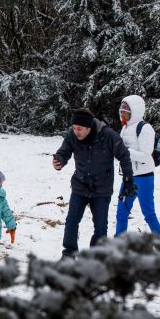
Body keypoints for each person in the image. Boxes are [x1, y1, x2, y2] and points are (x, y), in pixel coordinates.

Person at [53, 108, 134, 259]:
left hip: (101, 188)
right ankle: (69, 254)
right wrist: (59, 160)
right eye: (74, 128)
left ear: (89, 128)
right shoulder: (72, 135)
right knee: (71, 221)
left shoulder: (108, 136)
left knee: (101, 226)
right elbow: (64, 152)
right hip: (80, 185)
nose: (76, 132)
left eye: (80, 129)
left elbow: (124, 155)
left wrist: (128, 179)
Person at [115, 95, 160, 236]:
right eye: (121, 113)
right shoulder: (125, 128)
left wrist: (124, 151)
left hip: (144, 178)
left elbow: (145, 155)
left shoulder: (145, 129)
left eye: (126, 113)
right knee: (121, 213)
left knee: (149, 214)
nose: (123, 116)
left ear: (134, 112)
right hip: (128, 177)